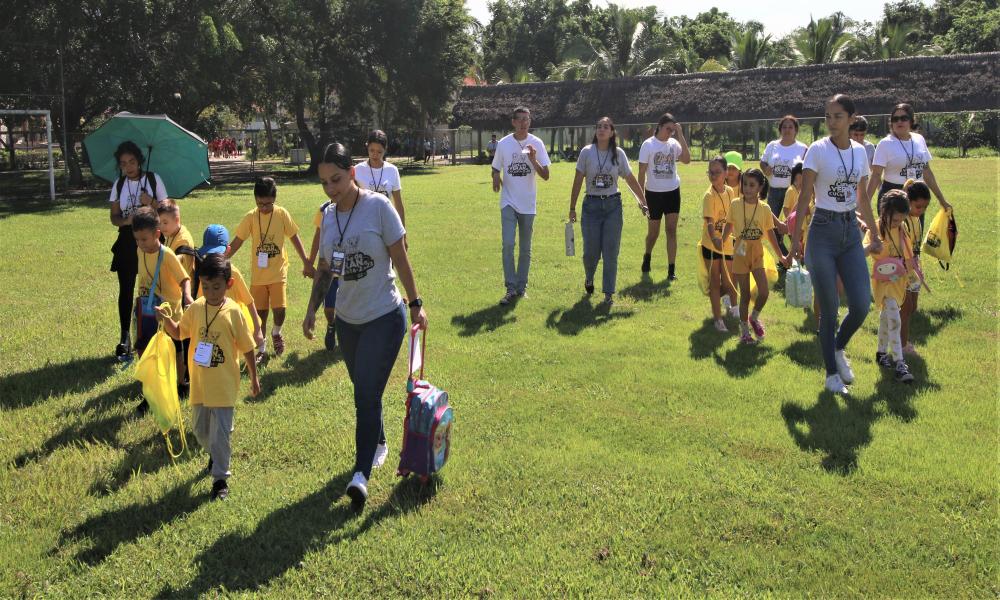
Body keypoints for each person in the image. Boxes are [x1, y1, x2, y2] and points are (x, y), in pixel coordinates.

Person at [303, 143, 428, 509]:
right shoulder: (328, 216)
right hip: (348, 320)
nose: (331, 188)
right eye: (325, 182)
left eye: (337, 179)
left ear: (352, 173)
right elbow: (326, 267)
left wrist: (416, 302)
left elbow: (400, 259)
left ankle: (360, 475)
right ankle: (380, 441)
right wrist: (312, 309)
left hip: (384, 317)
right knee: (365, 387)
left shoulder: (378, 207)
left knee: (365, 396)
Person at [791, 94, 880, 394]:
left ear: (851, 119)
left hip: (850, 232)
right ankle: (831, 375)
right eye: (828, 116)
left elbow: (863, 197)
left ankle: (838, 347)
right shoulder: (817, 150)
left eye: (838, 116)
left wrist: (876, 234)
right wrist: (794, 239)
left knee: (860, 304)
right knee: (828, 309)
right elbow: (804, 196)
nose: (831, 122)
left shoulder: (860, 152)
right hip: (822, 231)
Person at [156, 253, 260, 501]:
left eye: (217, 287)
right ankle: (215, 452)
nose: (212, 292)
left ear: (229, 284)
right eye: (207, 286)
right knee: (201, 431)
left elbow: (247, 347)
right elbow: (180, 333)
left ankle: (220, 479)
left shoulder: (234, 312)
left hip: (224, 385)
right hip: (200, 384)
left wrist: (254, 378)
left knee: (221, 434)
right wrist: (166, 319)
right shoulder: (196, 308)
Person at [227, 176, 310, 363]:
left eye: (268, 204)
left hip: (278, 271)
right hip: (259, 276)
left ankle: (277, 332)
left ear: (275, 199)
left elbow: (294, 237)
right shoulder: (250, 217)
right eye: (260, 204)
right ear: (255, 199)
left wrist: (306, 261)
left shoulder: (281, 214)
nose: (264, 208)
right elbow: (238, 240)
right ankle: (262, 349)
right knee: (260, 314)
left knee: (280, 309)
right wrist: (223, 258)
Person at [568, 117, 648, 305]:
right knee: (591, 252)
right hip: (591, 207)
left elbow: (629, 178)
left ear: (612, 132)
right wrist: (572, 207)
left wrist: (643, 201)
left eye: (606, 127)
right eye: (598, 127)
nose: (601, 129)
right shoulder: (586, 152)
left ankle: (608, 294)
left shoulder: (618, 153)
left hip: (613, 206)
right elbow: (578, 180)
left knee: (611, 251)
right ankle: (589, 277)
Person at [108, 141, 168, 361]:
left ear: (139, 160)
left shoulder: (153, 179)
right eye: (123, 163)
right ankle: (125, 337)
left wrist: (150, 201)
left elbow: (166, 209)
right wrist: (126, 220)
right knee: (126, 290)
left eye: (132, 161)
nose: (128, 166)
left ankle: (160, 333)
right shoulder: (119, 184)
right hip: (126, 241)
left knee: (155, 287)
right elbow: (114, 217)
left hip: (152, 240)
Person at [132, 207, 193, 414]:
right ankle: (150, 395)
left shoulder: (167, 255)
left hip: (170, 315)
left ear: (157, 234)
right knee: (150, 353)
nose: (141, 244)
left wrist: (187, 295)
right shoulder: (140, 250)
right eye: (137, 239)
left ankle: (181, 385)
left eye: (145, 239)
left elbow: (184, 278)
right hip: (149, 312)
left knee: (176, 353)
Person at [491, 106, 551, 305]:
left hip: (527, 204)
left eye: (527, 119)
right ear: (513, 122)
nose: (525, 123)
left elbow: (546, 175)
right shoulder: (504, 144)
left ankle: (521, 287)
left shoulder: (537, 143)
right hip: (508, 201)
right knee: (508, 244)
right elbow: (495, 167)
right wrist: (495, 178)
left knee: (525, 249)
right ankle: (510, 288)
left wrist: (533, 159)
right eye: (521, 119)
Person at [722, 168, 788, 344]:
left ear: (760, 187)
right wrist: (721, 243)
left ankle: (754, 317)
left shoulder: (765, 208)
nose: (748, 188)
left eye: (752, 185)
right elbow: (728, 226)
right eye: (745, 184)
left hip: (757, 252)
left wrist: (781, 255)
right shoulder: (735, 204)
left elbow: (770, 233)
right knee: (744, 295)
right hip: (740, 252)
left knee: (764, 292)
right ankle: (744, 330)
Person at [865, 190, 916, 383]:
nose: (897, 224)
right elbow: (866, 251)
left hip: (898, 282)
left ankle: (880, 353)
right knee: (894, 317)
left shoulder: (902, 231)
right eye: (895, 220)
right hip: (883, 283)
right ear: (884, 212)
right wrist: (872, 246)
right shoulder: (875, 228)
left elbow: (909, 259)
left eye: (900, 220)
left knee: (887, 317)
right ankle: (899, 363)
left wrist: (911, 272)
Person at [867, 103, 951, 213]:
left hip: (916, 197)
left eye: (903, 118)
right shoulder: (885, 143)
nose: (899, 121)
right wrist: (866, 203)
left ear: (911, 121)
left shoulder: (919, 139)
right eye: (895, 119)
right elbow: (876, 175)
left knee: (915, 230)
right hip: (893, 196)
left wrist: (942, 200)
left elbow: (926, 171)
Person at [638, 112, 691, 280]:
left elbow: (687, 160)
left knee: (671, 230)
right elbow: (641, 173)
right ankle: (647, 255)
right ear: (659, 126)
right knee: (653, 233)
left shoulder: (674, 143)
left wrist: (681, 135)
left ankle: (671, 270)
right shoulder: (648, 145)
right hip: (653, 194)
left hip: (672, 192)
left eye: (673, 130)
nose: (670, 133)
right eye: (668, 129)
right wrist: (641, 198)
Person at [196, 225, 265, 350]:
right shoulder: (204, 272)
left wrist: (258, 330)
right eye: (209, 253)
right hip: (211, 325)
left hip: (232, 324)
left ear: (227, 250)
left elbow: (249, 301)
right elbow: (200, 301)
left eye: (216, 252)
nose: (212, 257)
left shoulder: (233, 272)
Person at [157, 199, 197, 396]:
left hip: (183, 297)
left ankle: (186, 379)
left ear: (177, 219)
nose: (161, 227)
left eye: (165, 222)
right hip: (173, 294)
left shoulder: (183, 239)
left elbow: (180, 261)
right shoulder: (171, 235)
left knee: (183, 338)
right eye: (159, 222)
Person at [701, 155, 740, 331]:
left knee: (730, 280)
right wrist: (715, 238)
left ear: (726, 173)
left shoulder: (730, 191)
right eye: (711, 172)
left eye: (717, 172)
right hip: (711, 245)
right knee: (715, 283)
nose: (714, 175)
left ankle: (735, 308)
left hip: (727, 244)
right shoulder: (709, 196)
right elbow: (710, 221)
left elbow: (732, 218)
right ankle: (718, 320)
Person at [760, 115, 808, 255]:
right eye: (784, 127)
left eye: (790, 127)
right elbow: (763, 162)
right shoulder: (772, 145)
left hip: (793, 192)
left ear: (796, 130)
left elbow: (808, 169)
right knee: (773, 226)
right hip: (774, 191)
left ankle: (799, 254)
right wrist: (765, 168)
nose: (787, 130)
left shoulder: (803, 148)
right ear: (780, 129)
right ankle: (784, 256)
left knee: (793, 224)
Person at [900, 180, 931, 356]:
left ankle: (898, 334)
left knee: (912, 307)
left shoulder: (916, 220)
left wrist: (918, 265)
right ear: (908, 202)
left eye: (925, 207)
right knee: (905, 307)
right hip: (903, 270)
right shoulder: (902, 222)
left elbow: (916, 247)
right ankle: (902, 344)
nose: (922, 211)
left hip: (914, 268)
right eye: (919, 207)